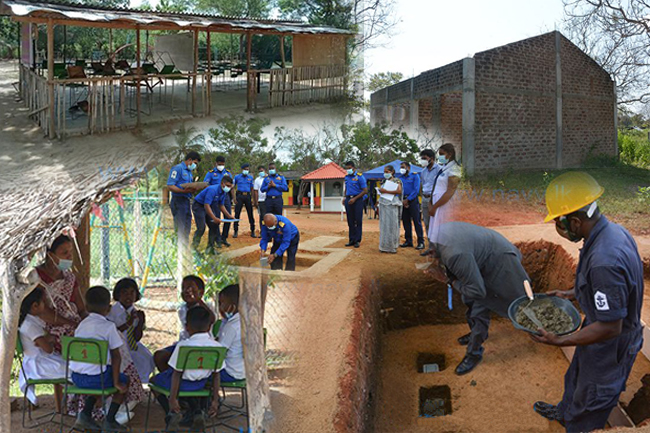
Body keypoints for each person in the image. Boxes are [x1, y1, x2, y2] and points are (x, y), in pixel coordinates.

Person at [531, 172, 644, 433]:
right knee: (576, 379)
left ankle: (578, 425)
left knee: (591, 400)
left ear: (575, 221)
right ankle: (564, 413)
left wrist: (559, 340)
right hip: (596, 332)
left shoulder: (605, 260)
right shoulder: (612, 232)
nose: (558, 229)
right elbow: (609, 290)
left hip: (609, 345)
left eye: (559, 223)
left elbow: (609, 327)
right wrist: (571, 294)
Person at [423, 222, 528, 375]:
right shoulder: (441, 236)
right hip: (482, 262)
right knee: (468, 299)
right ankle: (475, 333)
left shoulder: (455, 254)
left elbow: (478, 292)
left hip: (500, 265)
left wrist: (446, 280)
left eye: (432, 255)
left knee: (478, 310)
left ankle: (474, 354)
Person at [150, 306, 223, 431]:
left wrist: (172, 399)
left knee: (153, 381)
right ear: (209, 327)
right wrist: (215, 400)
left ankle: (171, 413)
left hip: (182, 384)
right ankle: (197, 412)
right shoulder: (217, 347)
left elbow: (176, 374)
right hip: (200, 385)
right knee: (191, 382)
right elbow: (217, 375)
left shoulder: (183, 346)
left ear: (187, 327)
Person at [70, 286, 129, 432]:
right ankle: (110, 421)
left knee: (98, 377)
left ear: (87, 307)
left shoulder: (81, 326)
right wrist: (116, 382)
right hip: (97, 379)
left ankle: (84, 415)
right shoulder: (109, 327)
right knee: (123, 380)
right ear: (108, 308)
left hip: (76, 378)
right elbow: (116, 357)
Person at [153, 275, 216, 372]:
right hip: (184, 344)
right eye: (184, 288)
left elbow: (212, 319)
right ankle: (170, 377)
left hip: (201, 346)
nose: (187, 291)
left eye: (191, 289)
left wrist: (199, 300)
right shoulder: (182, 309)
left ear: (201, 292)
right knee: (159, 356)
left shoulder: (207, 306)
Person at [18, 287, 67, 408]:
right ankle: (80, 407)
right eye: (43, 302)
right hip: (39, 365)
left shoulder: (29, 321)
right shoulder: (30, 326)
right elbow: (48, 349)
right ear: (35, 306)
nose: (45, 305)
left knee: (70, 365)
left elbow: (46, 338)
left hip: (39, 361)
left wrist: (48, 339)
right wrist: (49, 340)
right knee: (74, 369)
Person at [36, 235, 86, 353]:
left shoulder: (69, 277)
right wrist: (73, 324)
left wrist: (89, 323)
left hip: (74, 324)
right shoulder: (37, 279)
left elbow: (82, 309)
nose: (70, 256)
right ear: (50, 255)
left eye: (70, 252)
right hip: (51, 328)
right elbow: (43, 313)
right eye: (64, 253)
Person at [107, 278, 154, 384]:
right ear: (118, 295)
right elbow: (113, 332)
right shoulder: (112, 311)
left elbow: (136, 337)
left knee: (146, 359)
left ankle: (136, 387)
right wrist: (129, 322)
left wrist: (140, 322)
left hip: (132, 345)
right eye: (124, 293)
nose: (129, 296)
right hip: (117, 347)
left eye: (132, 292)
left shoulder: (136, 312)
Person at [427, 143, 461, 245]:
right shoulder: (444, 167)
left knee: (444, 233)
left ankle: (444, 258)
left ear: (450, 154)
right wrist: (431, 203)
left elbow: (450, 190)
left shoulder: (454, 169)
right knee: (436, 233)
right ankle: (436, 258)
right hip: (437, 204)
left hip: (444, 205)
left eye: (442, 154)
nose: (440, 157)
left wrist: (435, 206)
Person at [167, 151, 201, 247]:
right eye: (195, 162)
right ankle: (178, 248)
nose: (195, 165)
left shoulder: (189, 172)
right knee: (180, 227)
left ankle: (183, 247)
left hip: (186, 201)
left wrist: (193, 189)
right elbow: (170, 185)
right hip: (178, 200)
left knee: (187, 226)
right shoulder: (178, 169)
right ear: (189, 160)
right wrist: (183, 191)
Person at [192, 176, 235, 252]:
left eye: (230, 186)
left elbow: (221, 205)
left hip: (209, 206)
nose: (229, 188)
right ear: (222, 184)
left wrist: (229, 216)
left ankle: (210, 248)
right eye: (227, 186)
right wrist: (214, 218)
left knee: (214, 225)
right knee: (201, 227)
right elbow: (206, 205)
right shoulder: (212, 190)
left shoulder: (224, 192)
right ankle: (194, 247)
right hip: (199, 206)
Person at [216, 285, 245, 382]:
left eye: (222, 303)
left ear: (232, 306)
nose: (220, 307)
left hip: (230, 372)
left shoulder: (231, 326)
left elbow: (219, 351)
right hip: (244, 372)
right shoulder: (244, 321)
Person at [204, 156, 234, 247]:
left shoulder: (228, 173)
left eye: (223, 164)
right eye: (219, 164)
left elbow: (231, 186)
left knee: (228, 217)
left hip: (226, 197)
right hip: (215, 198)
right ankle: (217, 239)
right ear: (216, 163)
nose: (221, 166)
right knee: (216, 218)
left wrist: (233, 197)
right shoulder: (211, 173)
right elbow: (206, 185)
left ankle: (224, 238)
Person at [397, 161, 425, 250]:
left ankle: (421, 242)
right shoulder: (400, 178)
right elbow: (398, 190)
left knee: (417, 221)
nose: (401, 169)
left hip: (412, 201)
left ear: (408, 168)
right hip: (403, 201)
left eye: (403, 167)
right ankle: (408, 241)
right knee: (406, 221)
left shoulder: (415, 176)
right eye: (401, 167)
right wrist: (403, 200)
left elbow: (416, 190)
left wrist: (408, 200)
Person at [376, 164, 403, 254]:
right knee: (384, 225)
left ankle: (392, 246)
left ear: (392, 172)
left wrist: (386, 191)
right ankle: (384, 246)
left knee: (392, 225)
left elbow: (399, 191)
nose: (385, 174)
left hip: (392, 204)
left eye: (387, 172)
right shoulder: (384, 181)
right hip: (384, 204)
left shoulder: (396, 180)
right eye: (384, 172)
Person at [418, 149, 440, 256]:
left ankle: (439, 249)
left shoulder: (439, 170)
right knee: (427, 224)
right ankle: (431, 247)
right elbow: (423, 185)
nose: (423, 160)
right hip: (425, 198)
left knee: (436, 223)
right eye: (422, 158)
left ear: (431, 158)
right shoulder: (423, 172)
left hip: (435, 199)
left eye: (425, 158)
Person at [342, 161, 368, 248]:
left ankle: (357, 240)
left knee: (358, 220)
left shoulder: (360, 177)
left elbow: (365, 190)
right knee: (350, 220)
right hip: (349, 199)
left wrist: (355, 199)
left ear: (353, 168)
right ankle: (351, 239)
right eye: (347, 168)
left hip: (358, 200)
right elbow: (346, 188)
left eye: (349, 168)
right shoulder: (346, 177)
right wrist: (345, 197)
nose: (348, 170)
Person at [233, 163, 257, 239]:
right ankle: (235, 231)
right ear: (242, 170)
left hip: (247, 196)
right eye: (245, 169)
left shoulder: (250, 178)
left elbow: (252, 189)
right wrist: (234, 198)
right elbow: (232, 187)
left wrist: (253, 199)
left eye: (247, 169)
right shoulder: (237, 177)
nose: (246, 171)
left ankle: (252, 230)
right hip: (239, 196)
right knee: (237, 213)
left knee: (250, 214)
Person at [253, 166, 267, 233]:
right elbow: (255, 191)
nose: (261, 172)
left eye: (262, 170)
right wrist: (256, 201)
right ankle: (262, 231)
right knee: (262, 217)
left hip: (269, 200)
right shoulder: (257, 180)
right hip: (261, 201)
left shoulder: (268, 179)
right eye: (260, 171)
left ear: (265, 171)